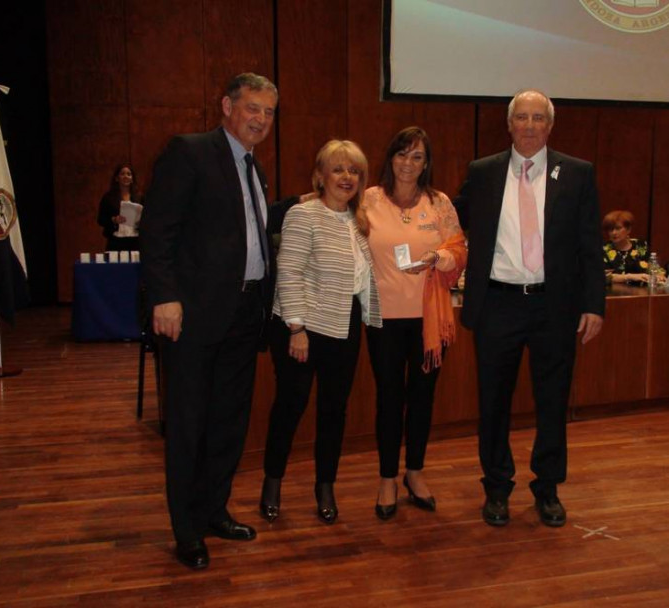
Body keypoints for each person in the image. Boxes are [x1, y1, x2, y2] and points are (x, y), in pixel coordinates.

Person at [140, 73, 285, 571]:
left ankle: (213, 511)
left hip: (246, 313)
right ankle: (186, 530)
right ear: (226, 105)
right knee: (187, 423)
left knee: (228, 420)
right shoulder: (190, 151)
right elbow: (158, 231)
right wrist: (165, 297)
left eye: (268, 112)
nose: (260, 119)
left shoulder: (256, 170)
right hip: (194, 315)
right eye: (252, 108)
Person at [454, 89, 605, 528]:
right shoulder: (483, 173)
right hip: (497, 304)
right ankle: (497, 488)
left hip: (554, 307)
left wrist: (594, 303)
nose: (530, 125)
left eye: (539, 117)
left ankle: (548, 489)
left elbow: (588, 244)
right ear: (510, 124)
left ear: (550, 126)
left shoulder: (577, 174)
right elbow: (449, 216)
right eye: (522, 117)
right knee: (493, 402)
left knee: (553, 402)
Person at [259, 140, 382, 526]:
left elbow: (362, 278)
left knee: (334, 411)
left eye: (355, 172)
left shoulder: (360, 221)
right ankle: (272, 482)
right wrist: (296, 328)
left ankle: (325, 486)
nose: (347, 178)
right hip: (302, 328)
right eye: (339, 169)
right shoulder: (302, 215)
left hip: (344, 327)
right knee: (290, 408)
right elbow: (289, 273)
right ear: (320, 175)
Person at [359, 126, 467, 519]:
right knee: (390, 398)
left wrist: (445, 258)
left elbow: (459, 247)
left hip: (429, 320)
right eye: (402, 154)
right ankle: (387, 477)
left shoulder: (438, 203)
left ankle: (415, 472)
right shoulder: (368, 198)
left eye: (417, 157)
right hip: (382, 317)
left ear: (426, 163)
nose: (408, 163)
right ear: (390, 158)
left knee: (422, 398)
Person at [97, 163, 143, 251]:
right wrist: (114, 220)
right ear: (116, 178)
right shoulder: (108, 198)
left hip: (135, 241)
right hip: (116, 241)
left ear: (132, 179)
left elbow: (147, 218)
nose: (126, 176)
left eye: (129, 174)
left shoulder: (140, 198)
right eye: (122, 174)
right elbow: (101, 219)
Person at [602, 210, 655, 285]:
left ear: (628, 229)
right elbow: (603, 276)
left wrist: (659, 275)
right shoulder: (604, 248)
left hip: (640, 292)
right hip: (613, 293)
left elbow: (653, 267)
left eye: (618, 228)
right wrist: (629, 277)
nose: (614, 233)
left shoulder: (640, 245)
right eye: (610, 229)